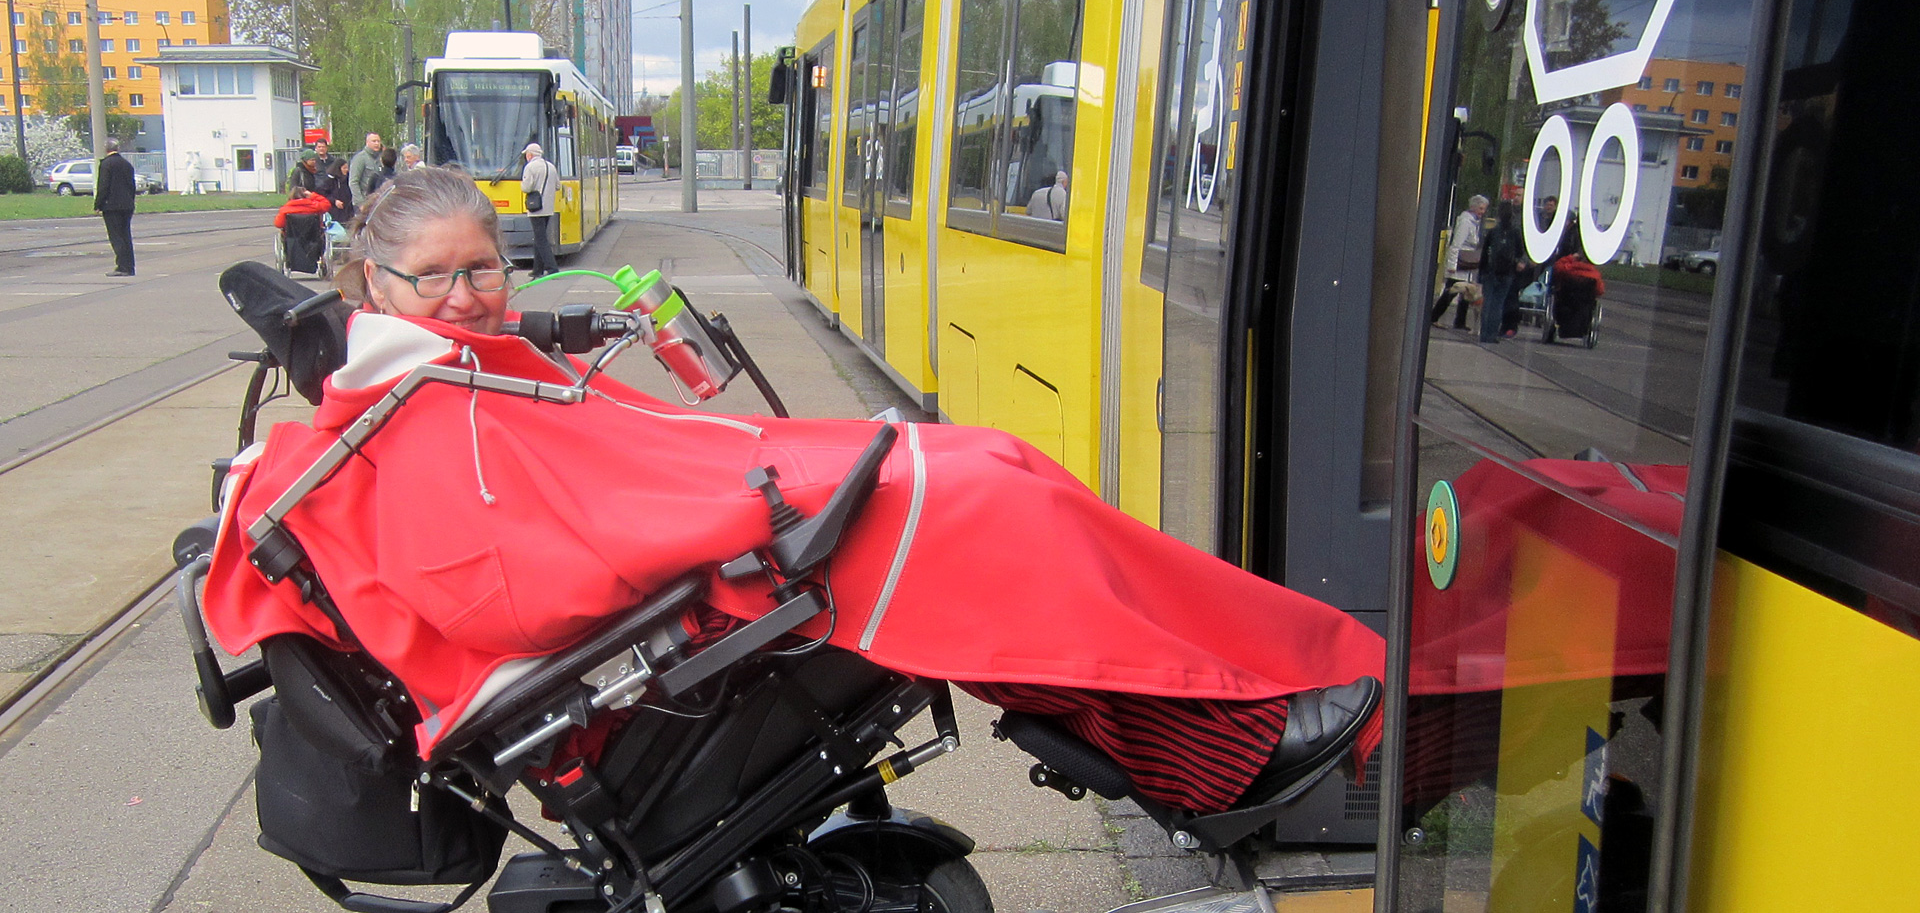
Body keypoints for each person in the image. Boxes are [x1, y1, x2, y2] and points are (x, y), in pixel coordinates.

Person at [205, 169, 1384, 816]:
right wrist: (736, 515)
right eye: (440, 278)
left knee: (991, 469)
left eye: (486, 268)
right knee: (983, 502)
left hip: (701, 538)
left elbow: (571, 495)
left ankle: (1220, 725)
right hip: (678, 584)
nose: (472, 296)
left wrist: (727, 492)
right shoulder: (404, 415)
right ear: (372, 279)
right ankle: (1231, 731)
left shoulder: (423, 373)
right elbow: (513, 583)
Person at [1430, 195, 1487, 329]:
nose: (1483, 212)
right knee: (1451, 291)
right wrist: (1452, 265)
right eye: (1481, 208)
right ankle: (1434, 316)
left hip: (1467, 263)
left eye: (1484, 209)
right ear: (1473, 207)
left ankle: (1460, 321)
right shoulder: (1466, 222)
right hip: (1460, 262)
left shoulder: (1475, 222)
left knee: (1467, 292)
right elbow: (1456, 245)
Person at [1478, 200, 1523, 343]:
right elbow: (1520, 252)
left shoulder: (1492, 232)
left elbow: (1484, 253)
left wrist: (1482, 271)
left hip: (1491, 271)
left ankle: (1484, 334)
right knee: (1498, 304)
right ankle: (1492, 334)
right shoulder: (1515, 232)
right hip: (1507, 272)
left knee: (1488, 303)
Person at [95, 138, 138, 277]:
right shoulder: (126, 164)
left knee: (116, 236)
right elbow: (132, 186)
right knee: (126, 235)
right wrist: (131, 201)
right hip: (127, 205)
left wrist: (98, 204)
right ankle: (129, 266)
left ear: (106, 149)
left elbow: (103, 186)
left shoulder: (106, 164)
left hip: (111, 205)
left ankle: (122, 267)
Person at [519, 141, 560, 277]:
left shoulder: (530, 167)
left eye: (526, 155)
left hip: (536, 208)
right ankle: (537, 269)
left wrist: (523, 183)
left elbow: (526, 188)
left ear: (530, 155)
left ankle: (552, 267)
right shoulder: (551, 167)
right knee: (539, 237)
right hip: (548, 208)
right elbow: (558, 186)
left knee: (541, 239)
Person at [348, 133, 384, 210]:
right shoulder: (360, 158)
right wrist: (361, 203)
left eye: (378, 141)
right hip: (363, 203)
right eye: (374, 141)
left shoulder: (380, 158)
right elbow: (353, 182)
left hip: (376, 202)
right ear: (367, 142)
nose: (377, 143)